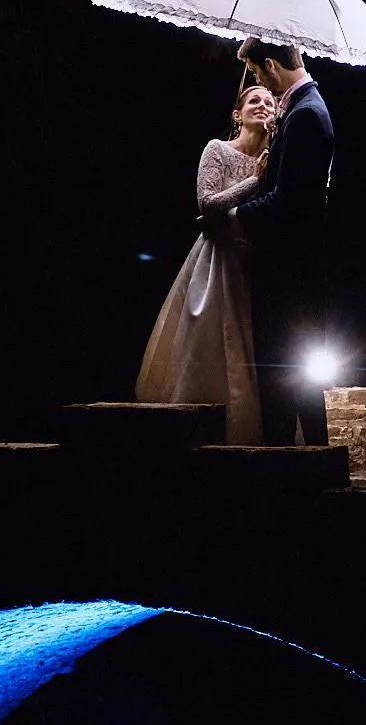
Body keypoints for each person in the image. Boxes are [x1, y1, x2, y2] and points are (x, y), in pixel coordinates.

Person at [134, 82, 277, 443]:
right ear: (237, 114)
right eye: (254, 100)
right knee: (208, 344)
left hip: (253, 262)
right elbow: (207, 203)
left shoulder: (276, 160)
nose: (262, 105)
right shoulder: (217, 149)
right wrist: (253, 183)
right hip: (216, 261)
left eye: (269, 102)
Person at [226, 37, 335, 447]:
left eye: (255, 73)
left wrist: (236, 218)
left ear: (270, 65)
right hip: (296, 272)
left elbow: (288, 204)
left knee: (282, 384)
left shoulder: (306, 114)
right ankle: (312, 470)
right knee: (298, 390)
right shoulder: (302, 108)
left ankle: (287, 480)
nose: (257, 82)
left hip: (290, 274)